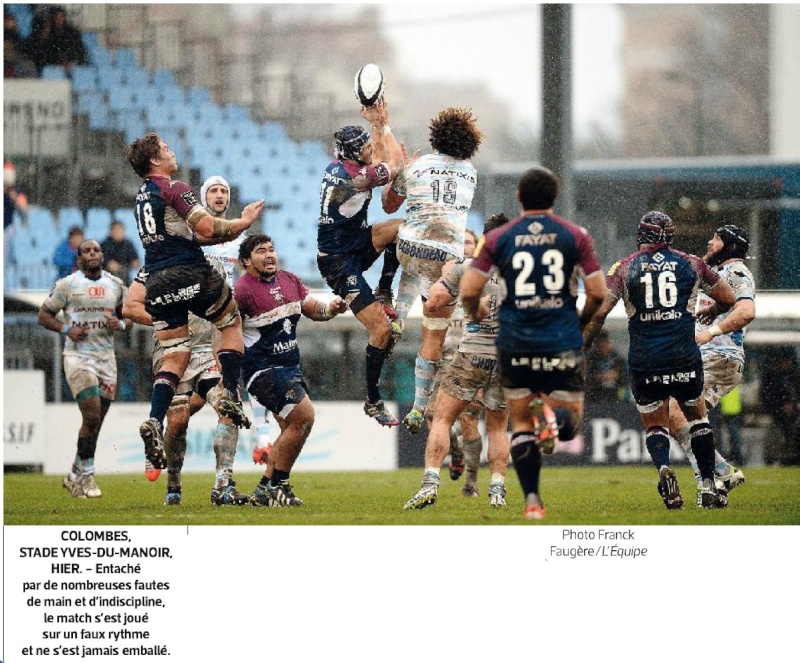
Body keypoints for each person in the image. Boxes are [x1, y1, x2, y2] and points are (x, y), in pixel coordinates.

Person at [461, 167, 607, 520]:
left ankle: (531, 501)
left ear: (518, 198)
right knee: (570, 418)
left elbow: (468, 290)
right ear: (554, 198)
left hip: (516, 341)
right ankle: (554, 420)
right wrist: (580, 320)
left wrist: (476, 310)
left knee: (521, 424)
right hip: (561, 338)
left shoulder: (498, 239)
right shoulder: (576, 235)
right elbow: (598, 293)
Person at [125, 131, 265, 470]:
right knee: (231, 320)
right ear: (155, 161)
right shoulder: (174, 188)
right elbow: (208, 229)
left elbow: (177, 238)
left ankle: (154, 421)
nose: (172, 153)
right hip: (188, 273)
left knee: (175, 355)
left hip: (157, 281)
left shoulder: (142, 196)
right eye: (166, 149)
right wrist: (243, 222)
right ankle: (229, 393)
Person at [584, 211, 736, 510]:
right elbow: (729, 297)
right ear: (670, 235)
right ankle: (707, 487)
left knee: (655, 425)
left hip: (645, 358)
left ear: (641, 235)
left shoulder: (625, 267)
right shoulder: (692, 262)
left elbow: (600, 311)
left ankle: (665, 469)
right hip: (684, 354)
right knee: (698, 419)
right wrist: (714, 310)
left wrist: (583, 344)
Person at [380, 107, 483, 434]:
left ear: (436, 135)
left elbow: (388, 203)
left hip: (410, 250)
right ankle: (419, 407)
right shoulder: (470, 172)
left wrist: (400, 170)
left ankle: (396, 310)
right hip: (446, 262)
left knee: (404, 233)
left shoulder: (419, 166)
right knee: (434, 335)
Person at [404, 214, 511, 510]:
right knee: (498, 428)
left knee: (442, 418)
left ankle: (429, 483)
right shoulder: (526, 273)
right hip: (506, 357)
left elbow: (435, 302)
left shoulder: (467, 268)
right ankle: (497, 490)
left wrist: (459, 293)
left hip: (470, 354)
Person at [124, 259, 250, 506]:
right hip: (172, 349)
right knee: (179, 421)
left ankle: (223, 486)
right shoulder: (157, 264)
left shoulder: (214, 265)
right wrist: (166, 322)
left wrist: (223, 365)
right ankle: (173, 484)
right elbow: (130, 308)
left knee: (228, 406)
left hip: (205, 352)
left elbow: (222, 318)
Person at [234, 234, 348, 506]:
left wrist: (330, 309)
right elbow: (226, 333)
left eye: (272, 249)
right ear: (246, 261)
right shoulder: (241, 290)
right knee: (305, 415)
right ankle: (279, 485)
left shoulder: (290, 280)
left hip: (289, 367)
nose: (270, 255)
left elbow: (314, 310)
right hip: (261, 370)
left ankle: (265, 489)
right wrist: (226, 377)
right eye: (261, 251)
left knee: (293, 428)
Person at [316, 100, 407, 427]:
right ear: (354, 154)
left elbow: (380, 162)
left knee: (400, 229)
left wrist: (375, 126)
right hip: (338, 264)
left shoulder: (339, 166)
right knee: (380, 329)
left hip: (353, 242)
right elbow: (393, 166)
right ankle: (372, 400)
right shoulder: (353, 179)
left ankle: (385, 291)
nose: (370, 149)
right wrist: (382, 125)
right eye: (365, 147)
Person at [667, 224, 755, 496]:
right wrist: (716, 307)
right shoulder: (718, 273)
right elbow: (729, 302)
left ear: (730, 246)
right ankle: (720, 473)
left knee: (673, 412)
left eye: (716, 239)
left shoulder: (737, 271)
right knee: (679, 416)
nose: (709, 242)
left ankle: (710, 477)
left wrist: (711, 332)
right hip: (709, 357)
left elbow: (747, 310)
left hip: (719, 356)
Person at [37, 240, 129, 498]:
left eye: (96, 250)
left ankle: (74, 474)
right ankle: (87, 476)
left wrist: (119, 324)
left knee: (95, 423)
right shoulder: (68, 284)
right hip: (78, 357)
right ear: (79, 259)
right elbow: (43, 315)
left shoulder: (116, 285)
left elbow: (131, 316)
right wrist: (67, 329)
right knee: (91, 415)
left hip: (106, 358)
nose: (91, 254)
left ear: (102, 255)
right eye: (86, 251)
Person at [197, 174, 273, 462]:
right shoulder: (195, 236)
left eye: (223, 191)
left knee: (241, 381)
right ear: (204, 197)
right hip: (197, 321)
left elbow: (249, 274)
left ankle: (262, 440)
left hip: (228, 317)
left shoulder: (238, 239)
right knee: (192, 402)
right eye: (213, 190)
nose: (219, 195)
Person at [424, 225, 489, 497]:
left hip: (473, 357)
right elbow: (430, 323)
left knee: (468, 418)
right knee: (432, 417)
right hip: (444, 359)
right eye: (460, 243)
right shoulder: (444, 281)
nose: (464, 247)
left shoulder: (486, 280)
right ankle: (457, 451)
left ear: (476, 247)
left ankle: (471, 484)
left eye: (469, 242)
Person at [760, 347, 799, 465]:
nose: (785, 364)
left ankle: (791, 458)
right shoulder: (771, 377)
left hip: (793, 415)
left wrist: (794, 405)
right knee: (775, 440)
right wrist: (780, 407)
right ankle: (776, 458)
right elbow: (766, 396)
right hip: (776, 416)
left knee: (792, 437)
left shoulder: (794, 377)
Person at [28, 6, 87, 74]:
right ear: (53, 18)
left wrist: (69, 61)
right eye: (57, 17)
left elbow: (78, 50)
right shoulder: (49, 34)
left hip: (71, 63)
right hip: (54, 65)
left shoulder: (72, 33)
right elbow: (47, 52)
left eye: (61, 16)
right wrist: (58, 63)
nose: (59, 19)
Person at [585, 329, 629, 402]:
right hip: (596, 397)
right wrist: (599, 377)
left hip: (615, 396)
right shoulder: (590, 360)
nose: (604, 347)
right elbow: (586, 379)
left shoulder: (618, 359)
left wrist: (616, 376)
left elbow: (625, 378)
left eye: (606, 343)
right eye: (601, 345)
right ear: (597, 346)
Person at [100, 220, 141, 285]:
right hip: (108, 278)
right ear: (111, 231)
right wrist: (108, 263)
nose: (119, 233)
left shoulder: (128, 244)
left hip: (125, 276)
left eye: (120, 230)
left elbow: (135, 260)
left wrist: (135, 263)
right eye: (116, 230)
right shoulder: (104, 245)